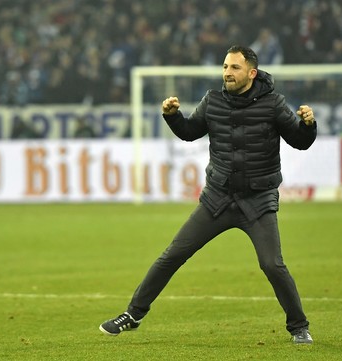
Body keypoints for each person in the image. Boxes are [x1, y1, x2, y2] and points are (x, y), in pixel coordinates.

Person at [99, 45, 316, 344]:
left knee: (271, 265)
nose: (227, 72)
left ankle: (299, 327)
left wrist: (308, 125)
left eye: (235, 68)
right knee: (173, 254)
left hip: (257, 202)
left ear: (251, 73)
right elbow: (190, 131)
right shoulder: (213, 101)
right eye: (225, 67)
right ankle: (133, 314)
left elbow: (300, 141)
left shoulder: (273, 104)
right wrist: (173, 117)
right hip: (218, 199)